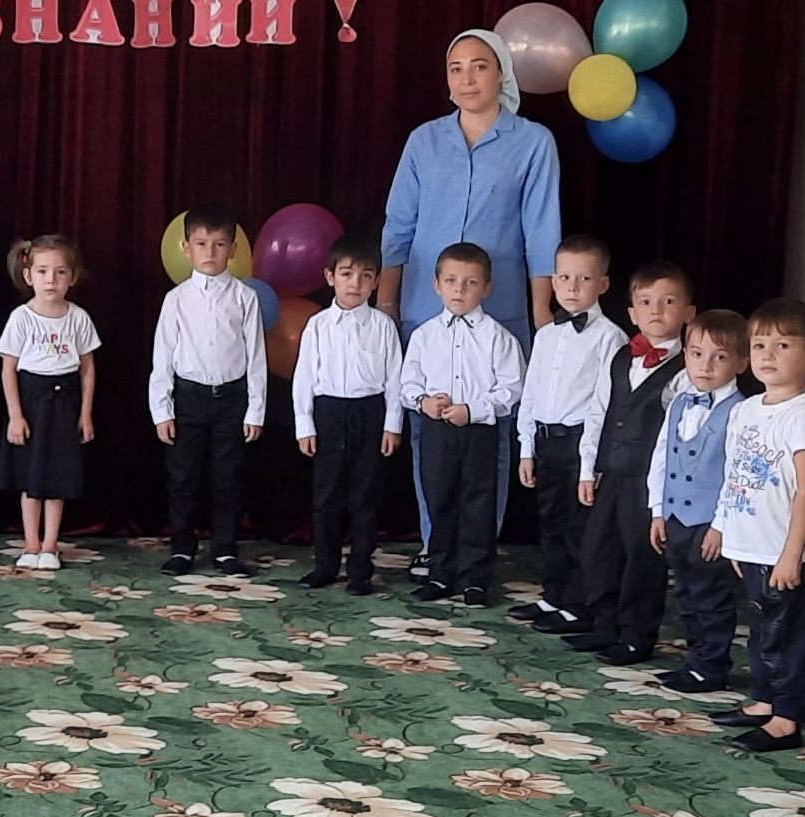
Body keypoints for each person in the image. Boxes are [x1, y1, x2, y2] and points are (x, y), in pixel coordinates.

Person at [381, 29, 562, 570]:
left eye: (479, 66)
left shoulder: (533, 142)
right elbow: (398, 225)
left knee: (493, 434)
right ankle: (435, 547)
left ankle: (477, 553)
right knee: (429, 431)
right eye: (455, 67)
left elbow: (542, 230)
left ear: (501, 72)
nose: (467, 78)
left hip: (500, 313)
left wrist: (542, 311)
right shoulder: (424, 141)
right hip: (424, 306)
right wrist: (388, 302)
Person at [703, 298, 805, 753]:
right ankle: (764, 701)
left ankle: (788, 718)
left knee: (788, 636)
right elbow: (733, 473)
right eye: (759, 345)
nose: (768, 355)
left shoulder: (804, 418)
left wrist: (791, 555)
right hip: (750, 545)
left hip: (783, 551)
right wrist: (726, 531)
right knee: (761, 630)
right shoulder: (746, 409)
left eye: (782, 345)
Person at [570, 262, 694, 664]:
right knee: (598, 551)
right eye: (646, 302)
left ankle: (637, 635)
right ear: (632, 313)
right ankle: (604, 624)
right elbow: (599, 413)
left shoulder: (687, 370)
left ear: (688, 312)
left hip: (649, 481)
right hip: (612, 472)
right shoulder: (621, 357)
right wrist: (589, 467)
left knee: (642, 557)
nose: (656, 310)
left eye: (668, 302)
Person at [397, 242, 524, 607]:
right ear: (436, 285)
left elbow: (512, 389)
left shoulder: (499, 338)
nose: (459, 290)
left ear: (486, 288)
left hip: (480, 431)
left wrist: (474, 409)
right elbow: (407, 384)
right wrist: (424, 402)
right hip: (437, 431)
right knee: (439, 499)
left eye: (470, 282)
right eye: (451, 280)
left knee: (478, 503)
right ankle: (440, 573)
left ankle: (475, 578)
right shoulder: (424, 336)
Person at [149, 203, 267, 576]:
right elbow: (162, 358)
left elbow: (256, 357)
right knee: (183, 477)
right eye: (201, 244)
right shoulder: (176, 300)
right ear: (187, 248)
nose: (210, 252)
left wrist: (255, 409)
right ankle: (183, 548)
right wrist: (162, 410)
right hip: (188, 398)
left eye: (219, 244)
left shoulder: (245, 297)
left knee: (228, 477)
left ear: (233, 249)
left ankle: (225, 549)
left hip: (232, 398)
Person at [511, 235, 619, 634]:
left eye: (584, 278)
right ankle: (554, 595)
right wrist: (526, 448)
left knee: (579, 529)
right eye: (564, 277)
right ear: (553, 281)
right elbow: (531, 392)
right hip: (546, 440)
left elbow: (604, 405)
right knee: (551, 523)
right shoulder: (546, 334)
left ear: (603, 284)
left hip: (580, 444)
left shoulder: (610, 337)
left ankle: (579, 604)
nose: (572, 287)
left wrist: (590, 466)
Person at [293, 236, 404, 596]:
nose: (355, 283)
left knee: (364, 497)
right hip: (328, 414)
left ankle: (360, 571)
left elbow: (395, 379)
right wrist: (305, 424)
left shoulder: (383, 326)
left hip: (369, 413)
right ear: (330, 277)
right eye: (346, 274)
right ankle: (325, 565)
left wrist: (392, 425)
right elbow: (304, 377)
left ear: (376, 282)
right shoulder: (318, 325)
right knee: (326, 496)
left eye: (365, 275)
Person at [645, 310, 750, 693]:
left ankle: (711, 667)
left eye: (719, 357)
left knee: (712, 597)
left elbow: (736, 474)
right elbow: (662, 455)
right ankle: (696, 661)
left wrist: (721, 526)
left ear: (741, 362)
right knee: (686, 592)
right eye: (696, 354)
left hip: (710, 523)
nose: (705, 366)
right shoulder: (679, 402)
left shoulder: (740, 411)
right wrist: (658, 511)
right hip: (676, 517)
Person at [0, 235, 100, 571]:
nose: (51, 280)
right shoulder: (21, 318)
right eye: (42, 271)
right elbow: (8, 369)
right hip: (31, 402)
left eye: (59, 272)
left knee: (57, 478)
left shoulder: (79, 318)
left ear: (73, 277)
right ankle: (31, 544)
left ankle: (50, 546)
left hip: (65, 403)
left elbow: (87, 370)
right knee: (31, 479)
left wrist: (85, 414)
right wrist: (15, 415)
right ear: (29, 276)